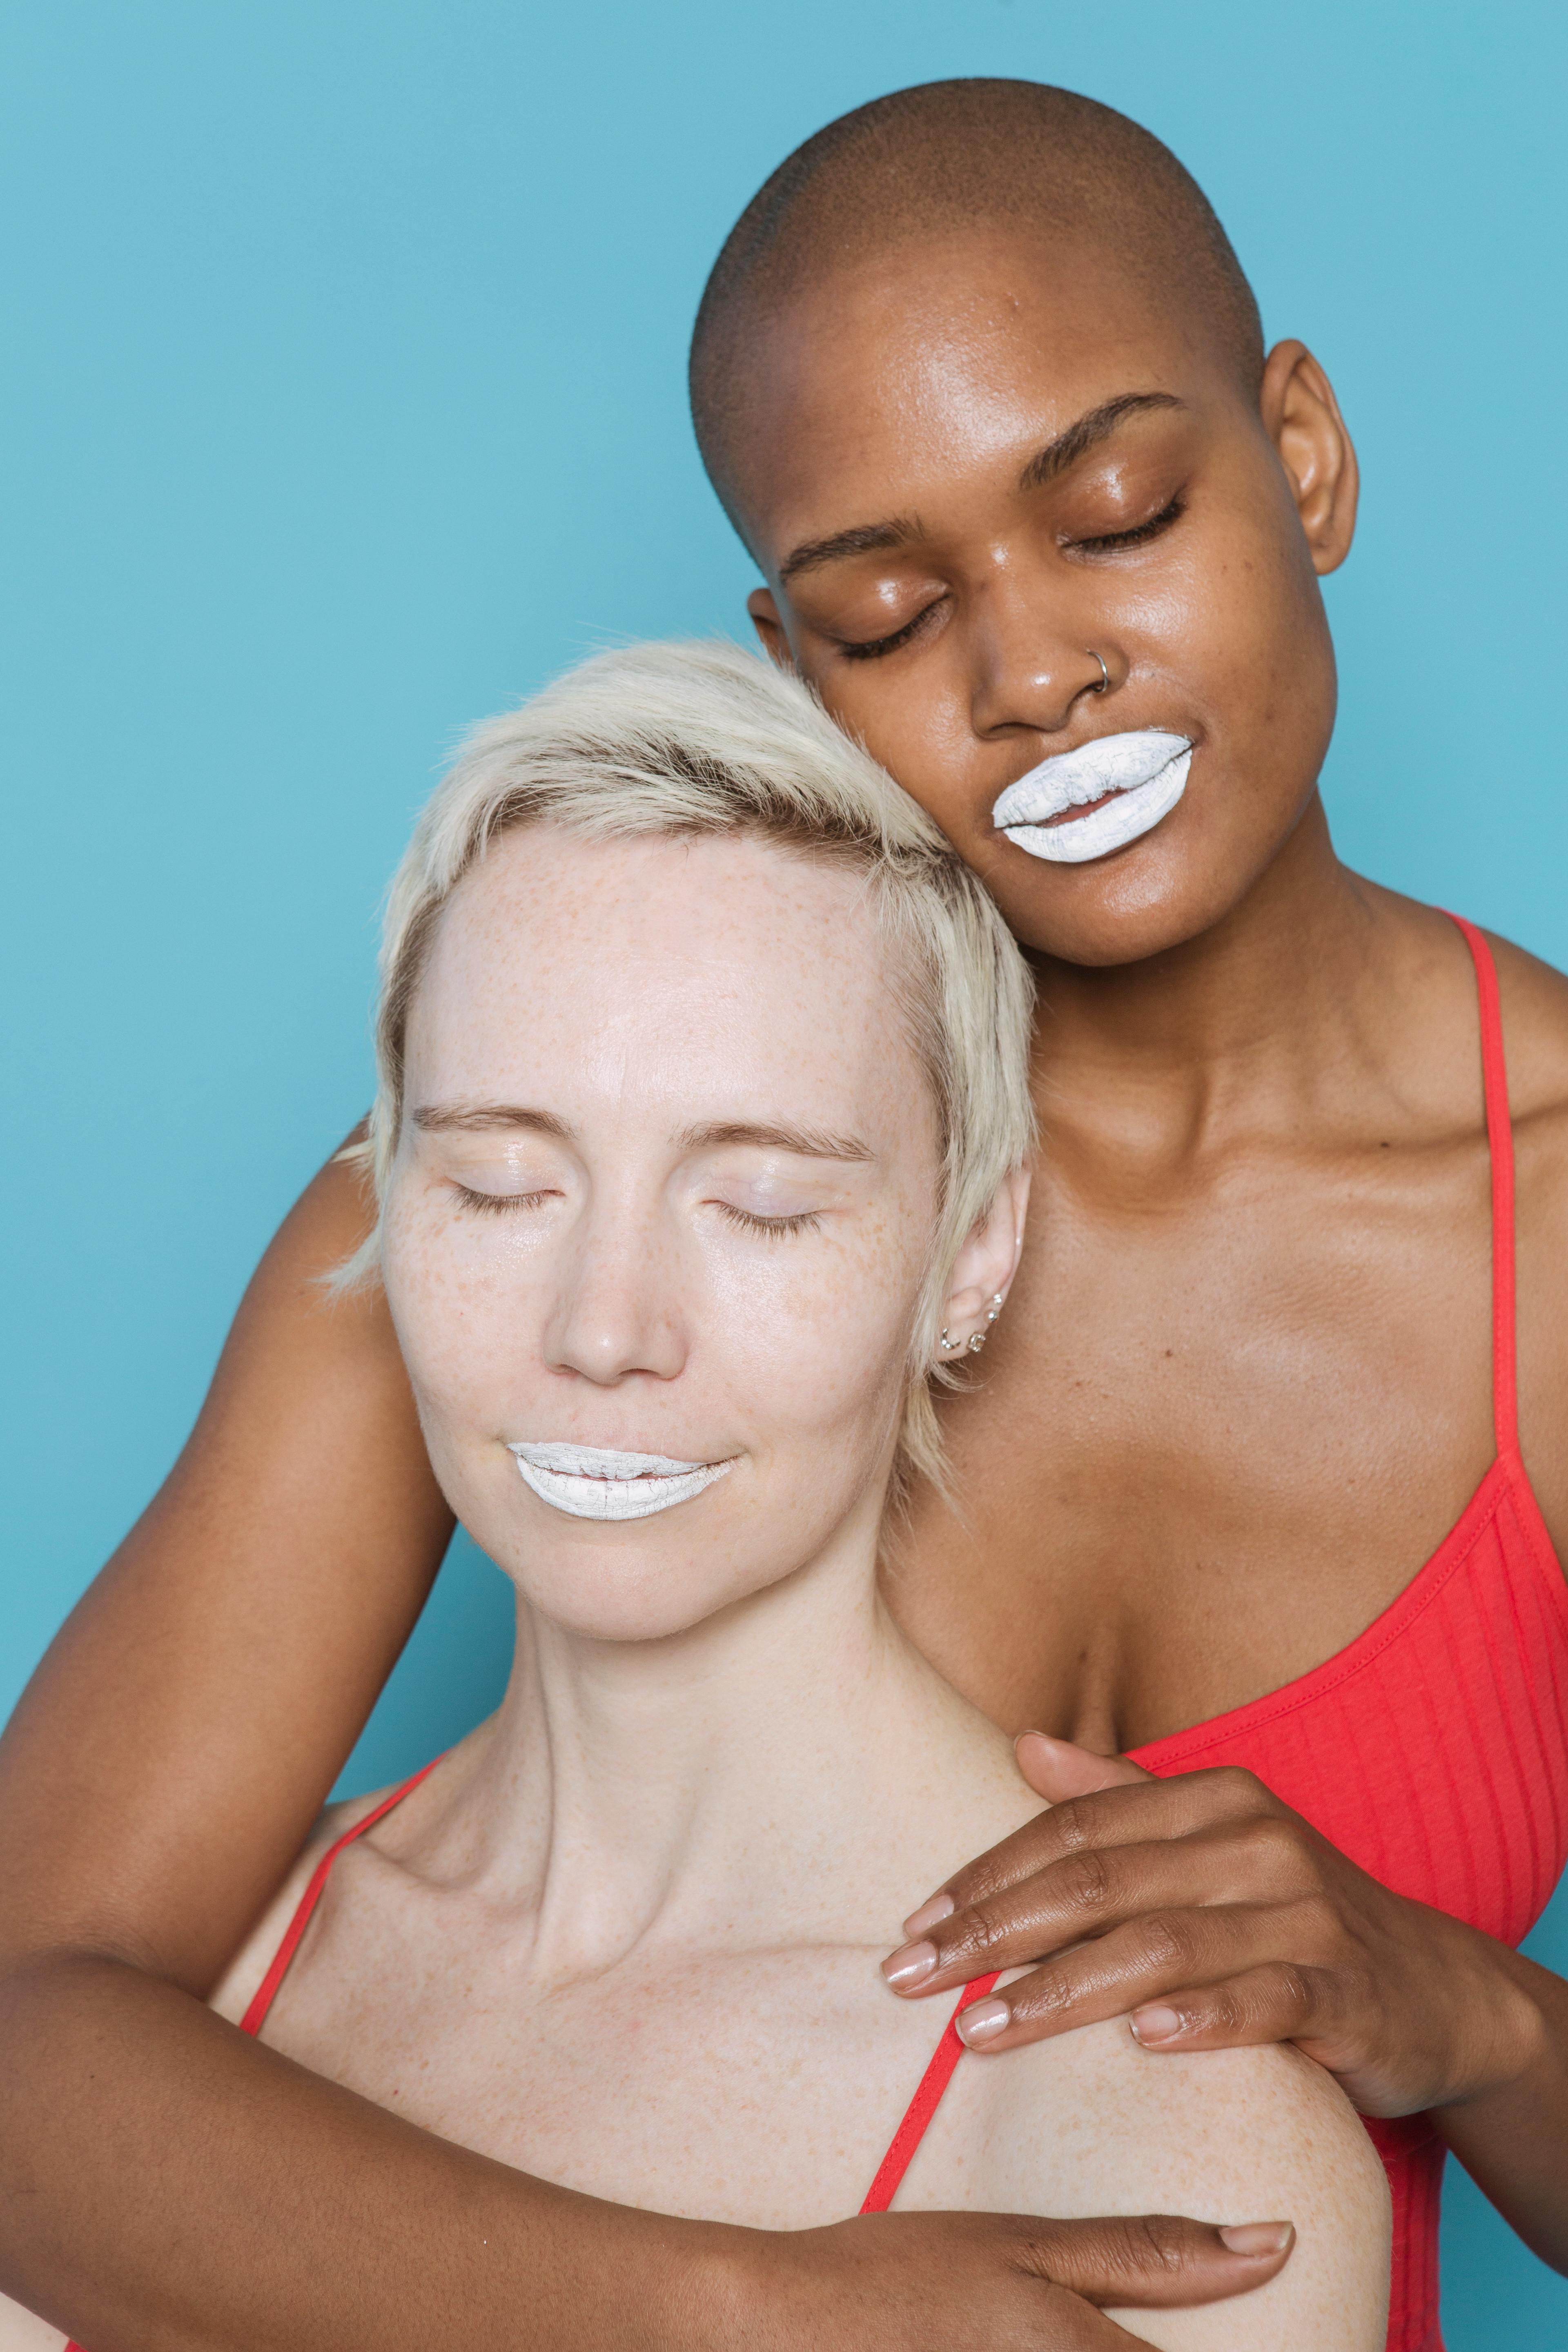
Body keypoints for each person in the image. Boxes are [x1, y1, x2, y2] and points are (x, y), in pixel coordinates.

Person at [2, 75, 1565, 2352]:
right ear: (787, 660)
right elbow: (32, 2032)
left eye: (1117, 511)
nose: (1033, 674)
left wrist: (1487, 2021)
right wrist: (748, 2316)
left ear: (1302, 460)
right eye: (889, 606)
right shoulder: (526, 1209)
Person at [0, 639, 1390, 2351]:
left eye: (764, 1209)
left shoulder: (1158, 2147)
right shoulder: (155, 2005)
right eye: (501, 1184)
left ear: (972, 1251)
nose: (603, 1331)